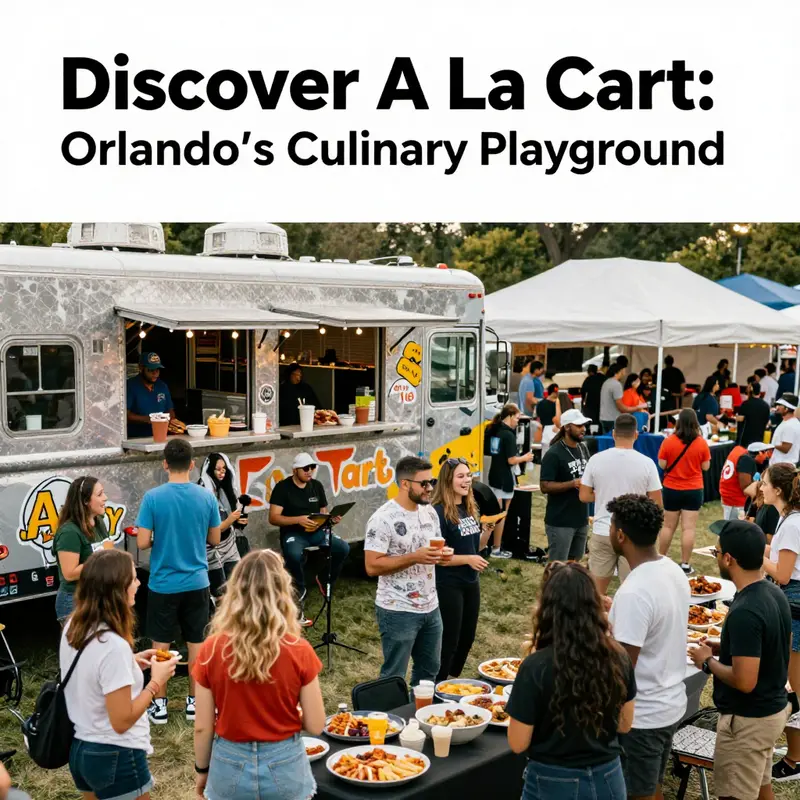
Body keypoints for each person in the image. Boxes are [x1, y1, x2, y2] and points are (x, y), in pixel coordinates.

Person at [192, 550, 326, 800]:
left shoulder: (211, 649)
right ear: (283, 592)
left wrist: (202, 770)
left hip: (229, 762)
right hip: (285, 761)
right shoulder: (299, 650)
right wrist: (290, 714)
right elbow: (317, 724)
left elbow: (202, 727)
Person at [506, 562, 636, 799]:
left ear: (546, 608)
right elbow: (624, 725)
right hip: (609, 776)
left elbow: (517, 743)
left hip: (552, 780)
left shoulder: (535, 667)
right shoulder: (618, 656)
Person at [60, 549, 179, 800]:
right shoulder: (112, 645)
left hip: (80, 750)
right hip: (116, 755)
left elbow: (90, 670)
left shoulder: (74, 626)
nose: (138, 583)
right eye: (134, 578)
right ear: (118, 588)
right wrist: (156, 682)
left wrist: (132, 661)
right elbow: (122, 720)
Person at [687, 520, 791, 797]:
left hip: (748, 721)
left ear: (729, 559)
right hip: (771, 710)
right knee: (760, 787)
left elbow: (744, 681)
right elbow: (772, 646)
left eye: (717, 552)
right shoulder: (773, 592)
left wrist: (708, 661)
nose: (717, 556)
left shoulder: (746, 609)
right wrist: (723, 647)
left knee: (735, 794)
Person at [607, 494, 690, 800]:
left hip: (641, 717)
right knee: (653, 787)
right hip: (669, 704)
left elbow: (622, 668)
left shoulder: (636, 590)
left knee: (636, 794)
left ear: (620, 535)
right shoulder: (671, 569)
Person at [136, 438, 221, 725]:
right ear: (193, 464)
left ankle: (158, 705)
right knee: (197, 645)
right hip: (197, 582)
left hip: (163, 583)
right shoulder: (206, 497)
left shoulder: (153, 498)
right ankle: (194, 704)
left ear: (165, 464)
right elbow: (215, 538)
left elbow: (143, 541)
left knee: (161, 646)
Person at [364, 456, 444, 686]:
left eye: (432, 482)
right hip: (397, 608)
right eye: (424, 483)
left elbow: (434, 549)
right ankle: (392, 720)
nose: (430, 488)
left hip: (431, 606)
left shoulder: (429, 511)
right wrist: (414, 557)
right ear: (405, 484)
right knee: (393, 676)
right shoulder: (382, 519)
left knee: (429, 671)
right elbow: (371, 565)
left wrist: (442, 555)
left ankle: (419, 717)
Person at [579, 415, 662, 595]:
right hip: (633, 533)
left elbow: (584, 496)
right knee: (635, 591)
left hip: (603, 529)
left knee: (596, 593)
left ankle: (593, 621)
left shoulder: (596, 459)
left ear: (614, 434)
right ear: (636, 434)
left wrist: (603, 495)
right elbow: (657, 503)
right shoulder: (647, 463)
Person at [269, 452, 350, 625]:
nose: (310, 471)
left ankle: (325, 580)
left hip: (317, 531)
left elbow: (323, 511)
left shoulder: (316, 486)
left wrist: (330, 520)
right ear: (295, 470)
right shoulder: (282, 488)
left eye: (313, 467)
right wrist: (298, 520)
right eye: (306, 468)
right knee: (292, 555)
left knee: (343, 548)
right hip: (294, 533)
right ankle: (300, 590)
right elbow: (273, 518)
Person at [758, 463, 800, 781]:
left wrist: (756, 556)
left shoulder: (794, 522)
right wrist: (763, 546)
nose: (760, 486)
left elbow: (784, 574)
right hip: (792, 601)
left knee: (792, 687)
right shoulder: (788, 518)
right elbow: (785, 556)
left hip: (795, 604)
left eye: (765, 482)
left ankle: (795, 759)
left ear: (779, 491)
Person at [432, 458, 491, 681]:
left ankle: (451, 680)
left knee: (467, 637)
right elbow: (439, 558)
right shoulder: (438, 512)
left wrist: (486, 531)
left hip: (470, 582)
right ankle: (438, 682)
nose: (467, 481)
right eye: (461, 476)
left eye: (468, 476)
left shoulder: (468, 508)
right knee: (450, 638)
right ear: (448, 480)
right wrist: (468, 559)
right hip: (448, 583)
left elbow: (477, 547)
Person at [657, 408, 711, 575]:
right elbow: (706, 467)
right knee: (688, 528)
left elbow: (662, 464)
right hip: (693, 489)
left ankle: (660, 559)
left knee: (667, 526)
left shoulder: (669, 441)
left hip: (671, 488)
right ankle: (685, 564)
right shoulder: (701, 442)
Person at [52, 476, 113, 622]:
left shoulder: (98, 521)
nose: (105, 497)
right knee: (80, 645)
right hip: (75, 601)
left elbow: (107, 552)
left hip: (97, 596)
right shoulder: (69, 532)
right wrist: (102, 557)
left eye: (104, 493)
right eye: (99, 494)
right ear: (85, 501)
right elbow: (69, 573)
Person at [540, 409, 592, 562]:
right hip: (560, 521)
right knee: (557, 566)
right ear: (567, 427)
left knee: (574, 564)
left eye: (584, 425)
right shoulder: (554, 454)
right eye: (579, 425)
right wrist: (573, 483)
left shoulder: (583, 448)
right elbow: (544, 486)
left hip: (581, 519)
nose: (583, 429)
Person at [485, 403, 533, 558]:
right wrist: (525, 457)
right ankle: (495, 548)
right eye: (517, 418)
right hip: (505, 479)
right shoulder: (509, 435)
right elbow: (511, 460)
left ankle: (489, 546)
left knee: (495, 515)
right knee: (500, 516)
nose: (518, 421)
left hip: (494, 475)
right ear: (510, 416)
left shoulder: (495, 431)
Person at [198, 453, 244, 597]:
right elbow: (210, 532)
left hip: (229, 542)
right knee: (220, 591)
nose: (222, 472)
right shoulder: (203, 492)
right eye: (218, 469)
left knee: (238, 584)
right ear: (210, 470)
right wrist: (230, 520)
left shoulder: (225, 488)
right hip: (211, 547)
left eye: (224, 469)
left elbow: (230, 516)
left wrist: (238, 522)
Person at [126, 351, 180, 438]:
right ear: (141, 368)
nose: (155, 373)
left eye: (157, 370)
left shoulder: (162, 386)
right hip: (136, 437)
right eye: (150, 370)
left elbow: (170, 410)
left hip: (161, 435)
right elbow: (125, 415)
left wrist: (171, 420)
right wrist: (148, 419)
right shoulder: (130, 386)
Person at [599, 362, 646, 434]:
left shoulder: (606, 382)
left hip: (603, 418)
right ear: (618, 371)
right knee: (615, 442)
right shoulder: (616, 384)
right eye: (623, 370)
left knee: (606, 442)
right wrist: (638, 407)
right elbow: (621, 407)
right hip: (613, 419)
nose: (624, 373)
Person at [719, 444, 757, 521]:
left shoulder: (737, 450)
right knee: (734, 530)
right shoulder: (745, 458)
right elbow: (746, 488)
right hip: (735, 501)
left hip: (730, 498)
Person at [736, 380, 771, 448]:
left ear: (751, 390)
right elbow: (767, 422)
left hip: (746, 439)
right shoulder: (766, 405)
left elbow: (740, 420)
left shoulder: (745, 404)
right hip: (759, 439)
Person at [770, 394, 800, 466]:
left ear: (786, 409)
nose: (777, 407)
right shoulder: (788, 422)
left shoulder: (790, 425)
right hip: (781, 465)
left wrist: (769, 446)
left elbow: (786, 448)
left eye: (780, 405)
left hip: (783, 467)